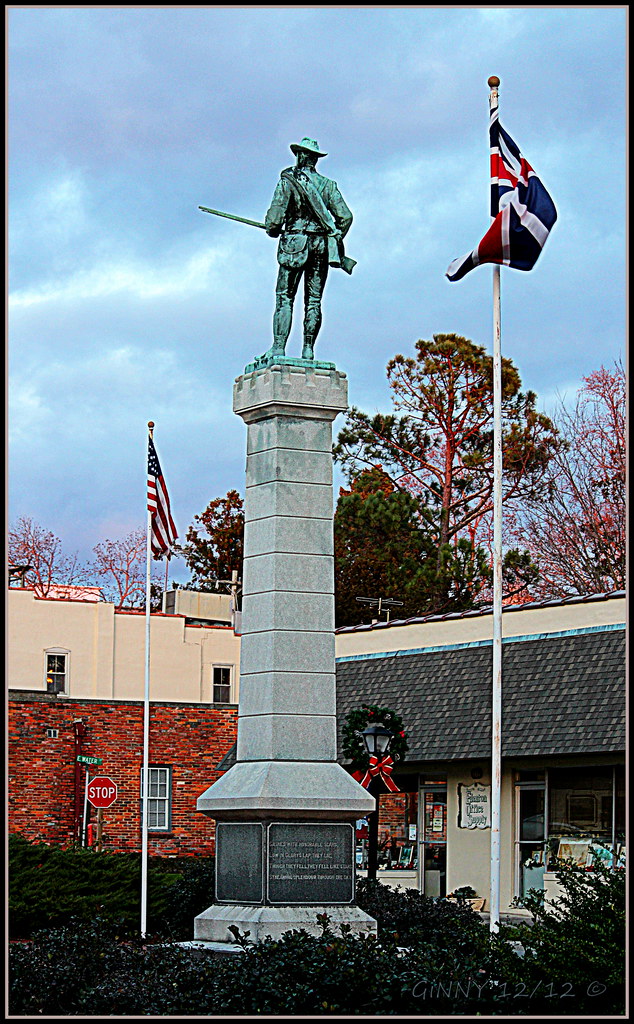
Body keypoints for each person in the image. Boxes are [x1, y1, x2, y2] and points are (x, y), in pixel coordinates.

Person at [259, 137, 355, 363]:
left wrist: (272, 229)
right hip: (321, 247)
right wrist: (335, 237)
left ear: (300, 156)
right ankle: (308, 350)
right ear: (315, 159)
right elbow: (346, 217)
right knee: (313, 301)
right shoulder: (328, 185)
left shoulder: (288, 181)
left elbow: (274, 220)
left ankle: (278, 348)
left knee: (284, 298)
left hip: (295, 244)